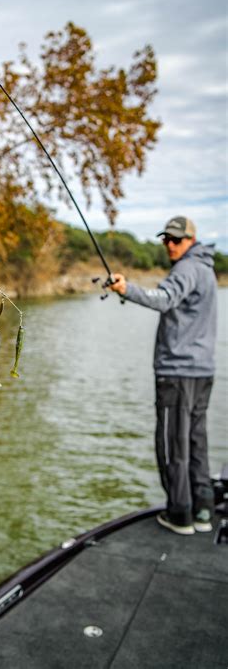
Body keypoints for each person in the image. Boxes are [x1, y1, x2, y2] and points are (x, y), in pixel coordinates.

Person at [110, 216, 217, 535]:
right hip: (202, 372)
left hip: (177, 373)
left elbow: (164, 299)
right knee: (196, 441)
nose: (170, 244)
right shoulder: (206, 269)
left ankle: (179, 513)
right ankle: (202, 509)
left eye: (176, 239)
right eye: (166, 239)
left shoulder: (186, 268)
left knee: (173, 443)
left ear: (191, 240)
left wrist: (127, 289)